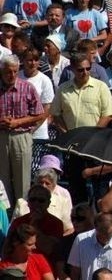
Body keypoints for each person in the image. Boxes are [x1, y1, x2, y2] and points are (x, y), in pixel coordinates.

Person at [0, 54, 45, 205]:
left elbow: (39, 114)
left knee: (22, 180)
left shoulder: (27, 87)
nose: (11, 75)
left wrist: (18, 122)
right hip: (1, 136)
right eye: (7, 72)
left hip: (21, 136)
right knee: (2, 180)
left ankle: (22, 214)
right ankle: (5, 217)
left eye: (14, 71)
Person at [68, 213, 112, 280]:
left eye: (109, 233)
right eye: (102, 231)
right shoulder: (81, 240)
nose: (105, 236)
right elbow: (75, 271)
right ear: (95, 226)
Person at [18, 47, 54, 142]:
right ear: (23, 61)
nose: (33, 63)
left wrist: (33, 128)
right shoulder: (17, 77)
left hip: (38, 133)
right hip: (18, 131)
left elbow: (47, 108)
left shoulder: (45, 80)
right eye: (30, 60)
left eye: (36, 60)